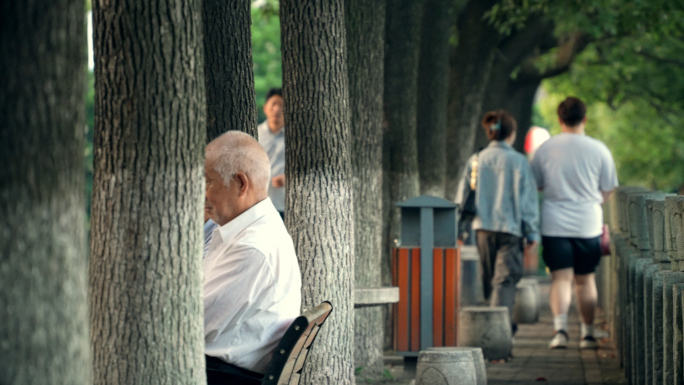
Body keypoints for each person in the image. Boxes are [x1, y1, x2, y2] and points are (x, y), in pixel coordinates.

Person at [203, 131, 302, 383]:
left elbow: (191, 325)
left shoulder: (252, 247)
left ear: (240, 184)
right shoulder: (245, 229)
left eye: (207, 182)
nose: (201, 193)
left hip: (220, 375)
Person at [530, 97, 618, 349]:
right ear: (585, 118)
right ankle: (588, 334)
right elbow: (608, 189)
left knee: (560, 279)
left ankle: (560, 332)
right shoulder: (599, 149)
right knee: (586, 279)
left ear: (559, 119)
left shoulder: (545, 149)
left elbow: (536, 184)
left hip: (554, 223)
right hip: (587, 223)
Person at [456, 110, 540, 336]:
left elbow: (463, 197)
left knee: (489, 279)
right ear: (511, 134)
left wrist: (460, 229)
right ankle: (499, 333)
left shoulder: (476, 160)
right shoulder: (519, 162)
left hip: (483, 229)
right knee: (504, 281)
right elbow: (528, 201)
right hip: (511, 230)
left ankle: (499, 325)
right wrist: (532, 232)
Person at [257, 88, 286, 217]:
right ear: (265, 108)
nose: (277, 109)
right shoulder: (255, 134)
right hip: (258, 204)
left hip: (284, 204)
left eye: (282, 105)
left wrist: (288, 178)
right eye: (274, 104)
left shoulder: (296, 138)